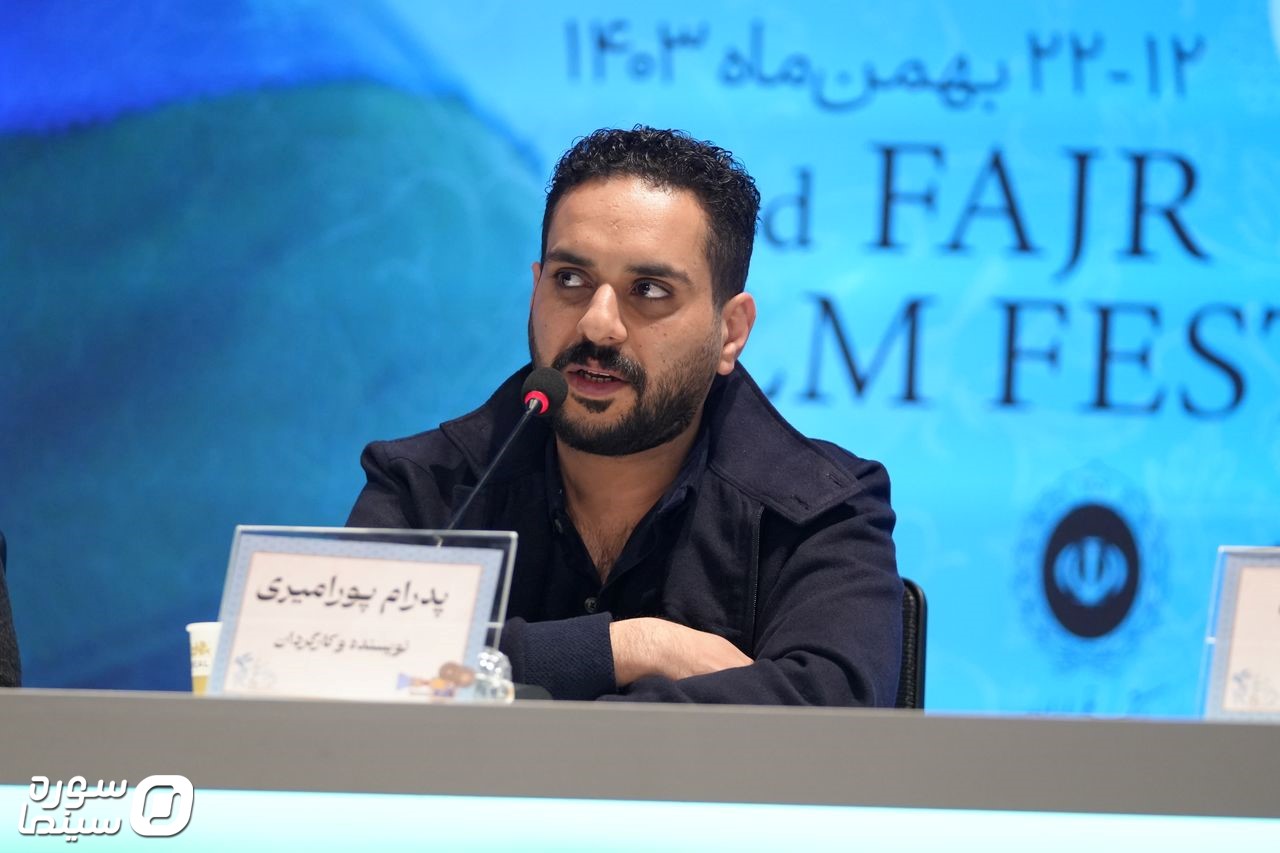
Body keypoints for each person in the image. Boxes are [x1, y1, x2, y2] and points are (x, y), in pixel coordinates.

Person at [347, 127, 902, 704]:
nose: (598, 325)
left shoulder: (820, 509)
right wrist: (627, 648)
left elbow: (832, 710)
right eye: (570, 280)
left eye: (650, 290)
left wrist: (514, 689)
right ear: (535, 291)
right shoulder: (427, 488)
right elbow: (333, 655)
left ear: (730, 332)